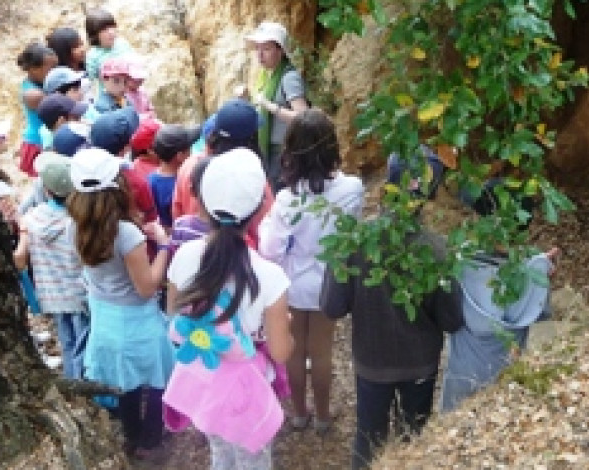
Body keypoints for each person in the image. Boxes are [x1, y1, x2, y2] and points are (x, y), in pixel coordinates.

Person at [320, 155, 464, 470]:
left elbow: (331, 306)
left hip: (371, 361)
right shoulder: (437, 249)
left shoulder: (354, 243)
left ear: (387, 186)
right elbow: (452, 320)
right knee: (414, 437)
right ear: (428, 194)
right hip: (420, 364)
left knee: (368, 436)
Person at [163, 149, 294, 470]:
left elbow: (173, 314)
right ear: (262, 207)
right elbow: (280, 352)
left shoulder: (183, 256)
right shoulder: (270, 276)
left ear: (203, 204)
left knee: (220, 452)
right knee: (253, 459)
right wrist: (283, 326)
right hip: (248, 386)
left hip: (204, 377)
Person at [259, 109, 363, 433]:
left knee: (293, 350)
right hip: (330, 279)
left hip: (293, 279)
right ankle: (322, 415)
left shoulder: (288, 199)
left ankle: (299, 413)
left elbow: (271, 249)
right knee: (322, 350)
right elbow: (352, 235)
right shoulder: (353, 189)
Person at [66, 147, 174, 460]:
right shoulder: (125, 233)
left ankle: (131, 435)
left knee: (125, 382)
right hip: (136, 320)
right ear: (117, 184)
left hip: (105, 316)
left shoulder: (76, 225)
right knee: (155, 379)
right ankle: (151, 439)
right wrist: (164, 245)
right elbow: (146, 287)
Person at [439, 180, 557, 412]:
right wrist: (543, 271)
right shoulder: (533, 273)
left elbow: (446, 319)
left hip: (463, 379)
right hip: (505, 381)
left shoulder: (460, 267)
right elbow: (540, 313)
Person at [13, 152, 89, 379]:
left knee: (66, 341)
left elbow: (22, 256)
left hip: (52, 295)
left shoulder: (32, 219)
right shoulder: (78, 222)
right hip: (79, 294)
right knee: (83, 342)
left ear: (46, 190)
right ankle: (86, 385)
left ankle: (72, 383)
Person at [171, 98, 273, 249]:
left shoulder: (189, 166)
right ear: (252, 138)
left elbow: (177, 212)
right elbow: (265, 232)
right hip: (238, 261)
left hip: (192, 252)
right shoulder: (253, 179)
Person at [245, 21, 308, 187]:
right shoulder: (267, 76)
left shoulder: (289, 77)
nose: (260, 54)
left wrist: (269, 106)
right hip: (270, 150)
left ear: (280, 50)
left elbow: (303, 117)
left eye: (266, 49)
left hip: (284, 152)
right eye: (258, 48)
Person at [17, 43, 58, 176]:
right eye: (51, 68)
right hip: (39, 143)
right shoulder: (33, 94)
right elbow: (61, 106)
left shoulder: (40, 83)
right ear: (34, 69)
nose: (55, 71)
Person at [149, 124, 199, 230]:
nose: (192, 151)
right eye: (189, 148)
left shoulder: (150, 180)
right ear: (180, 156)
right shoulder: (183, 182)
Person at [85, 8, 132, 96]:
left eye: (112, 27)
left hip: (131, 92)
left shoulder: (123, 44)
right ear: (94, 34)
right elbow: (91, 83)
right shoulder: (92, 55)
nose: (111, 32)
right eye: (104, 29)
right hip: (109, 98)